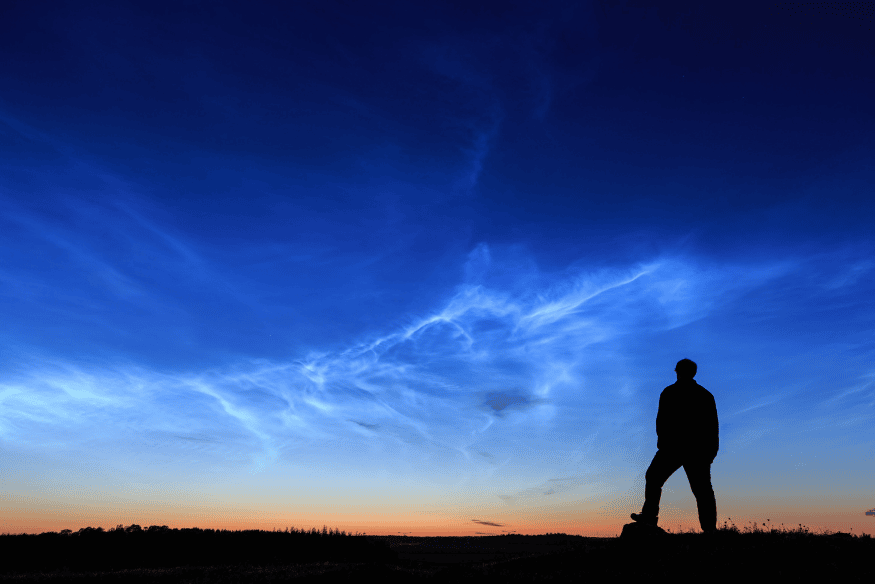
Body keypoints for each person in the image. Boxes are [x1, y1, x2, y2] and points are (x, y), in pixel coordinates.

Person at [631, 358, 719, 533]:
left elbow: (711, 425)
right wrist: (711, 451)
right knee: (700, 489)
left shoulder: (674, 393)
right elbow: (712, 426)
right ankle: (709, 529)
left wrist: (711, 451)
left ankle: (650, 517)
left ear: (677, 371)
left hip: (682, 449)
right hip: (686, 449)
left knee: (699, 489)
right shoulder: (701, 394)